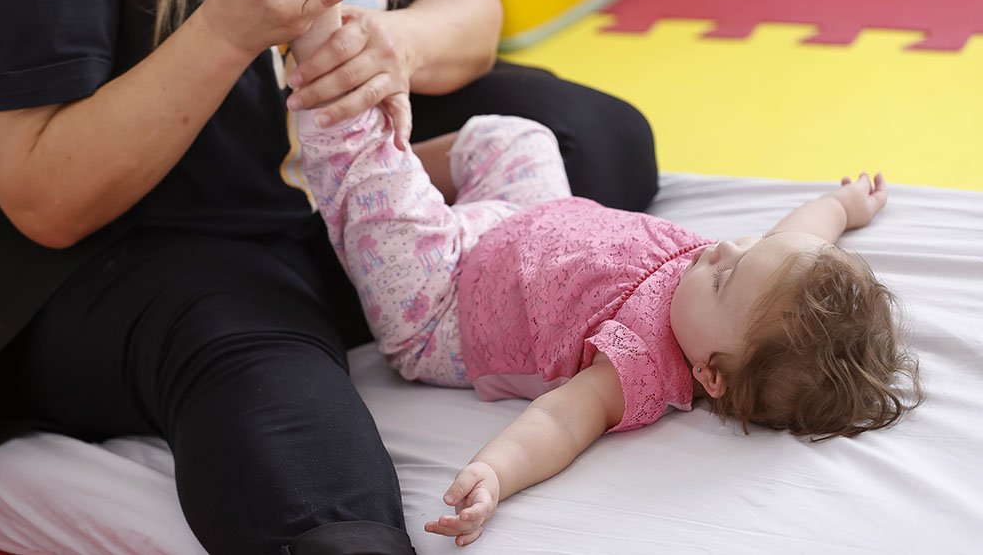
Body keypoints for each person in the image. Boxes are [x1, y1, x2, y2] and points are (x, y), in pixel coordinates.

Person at [0, 0, 657, 553]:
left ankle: (376, 246)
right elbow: (45, 198)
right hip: (150, 238)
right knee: (267, 396)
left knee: (599, 138)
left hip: (311, 179)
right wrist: (225, 30)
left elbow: (469, 0)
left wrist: (392, 45)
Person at [294, 91, 924, 546]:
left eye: (728, 273)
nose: (726, 248)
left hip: (444, 302)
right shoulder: (733, 295)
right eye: (749, 250)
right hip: (520, 217)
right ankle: (369, 179)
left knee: (381, 184)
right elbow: (792, 236)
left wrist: (492, 474)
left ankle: (340, 135)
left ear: (709, 375)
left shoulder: (640, 364)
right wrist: (840, 207)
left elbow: (563, 421)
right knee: (521, 137)